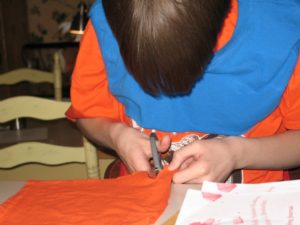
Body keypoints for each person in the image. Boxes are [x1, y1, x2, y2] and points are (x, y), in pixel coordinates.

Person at [66, 0, 300, 184]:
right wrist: (116, 136)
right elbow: (88, 113)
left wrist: (236, 154)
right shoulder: (106, 23)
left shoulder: (284, 30)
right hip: (143, 202)